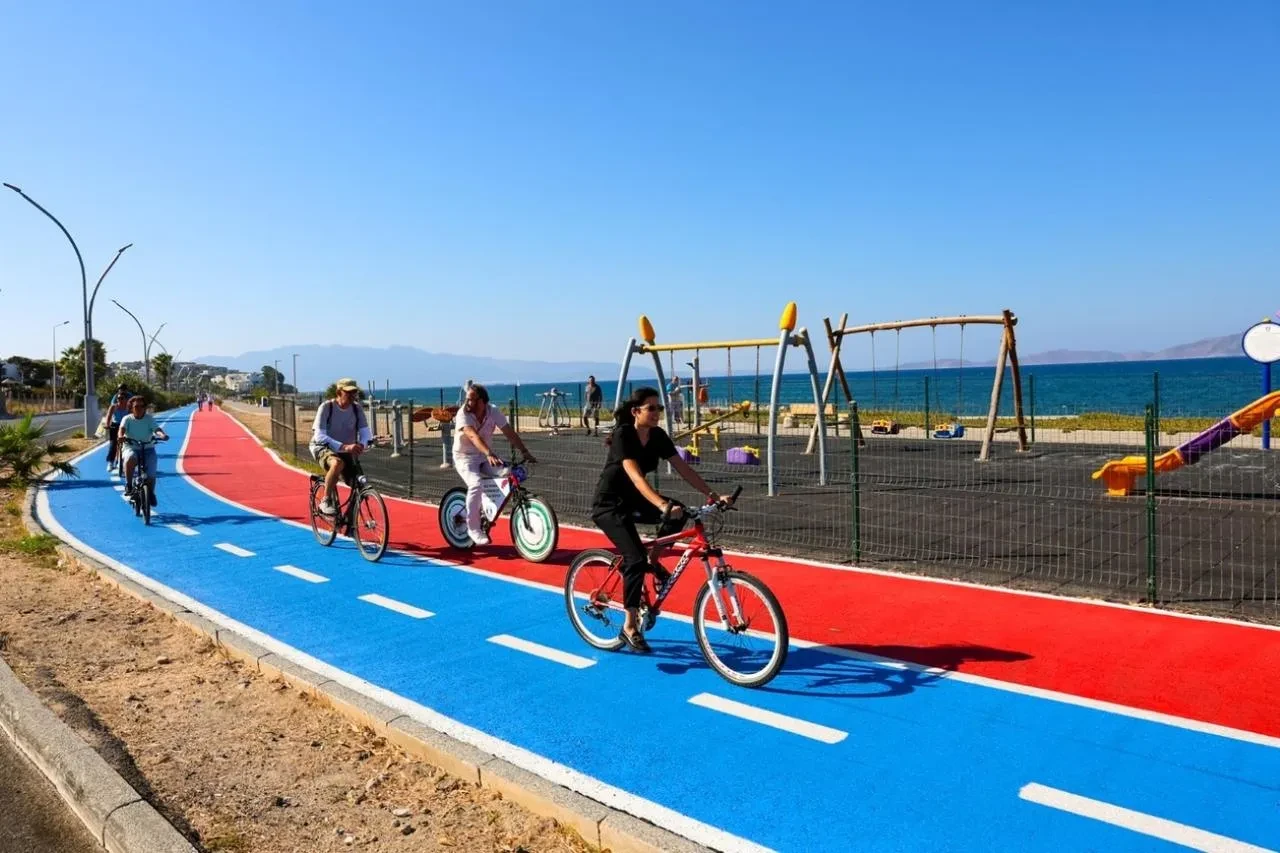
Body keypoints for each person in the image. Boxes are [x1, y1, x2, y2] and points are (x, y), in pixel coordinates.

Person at [590, 386, 730, 653]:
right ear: (636, 411)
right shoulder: (623, 434)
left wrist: (713, 495)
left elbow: (684, 468)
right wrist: (661, 504)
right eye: (651, 408)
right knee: (634, 558)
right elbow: (635, 476)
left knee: (680, 512)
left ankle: (652, 564)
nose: (657, 413)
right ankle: (630, 627)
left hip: (635, 500)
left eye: (659, 408)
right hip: (609, 505)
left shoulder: (658, 436)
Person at [453, 384, 536, 545]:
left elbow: (508, 431)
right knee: (475, 484)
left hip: (484, 456)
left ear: (482, 401)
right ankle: (473, 528)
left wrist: (525, 452)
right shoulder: (463, 413)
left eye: (471, 400)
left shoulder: (493, 411)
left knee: (510, 473)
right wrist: (489, 453)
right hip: (465, 458)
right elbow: (472, 436)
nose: (467, 403)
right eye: (467, 399)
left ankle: (486, 505)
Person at [309, 378, 373, 516]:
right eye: (348, 393)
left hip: (346, 449)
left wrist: (362, 444)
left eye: (354, 393)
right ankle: (325, 500)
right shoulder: (327, 407)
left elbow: (366, 433)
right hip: (323, 447)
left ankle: (350, 520)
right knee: (337, 463)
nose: (352, 396)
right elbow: (319, 436)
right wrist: (345, 446)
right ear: (339, 392)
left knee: (360, 484)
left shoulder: (357, 409)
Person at [119, 396, 169, 505]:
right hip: (131, 447)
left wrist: (162, 435)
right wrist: (121, 437)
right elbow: (121, 430)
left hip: (147, 448)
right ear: (131, 408)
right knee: (130, 459)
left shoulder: (149, 419)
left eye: (142, 406)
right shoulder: (127, 419)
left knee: (151, 474)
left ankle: (151, 493)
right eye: (136, 406)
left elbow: (157, 429)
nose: (139, 408)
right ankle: (129, 485)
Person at [102, 387, 130, 472]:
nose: (119, 400)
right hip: (115, 425)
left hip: (125, 426)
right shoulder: (113, 407)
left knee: (128, 444)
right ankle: (110, 462)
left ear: (126, 399)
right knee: (113, 444)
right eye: (118, 398)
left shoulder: (128, 408)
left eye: (121, 398)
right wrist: (107, 424)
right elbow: (108, 416)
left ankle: (122, 461)